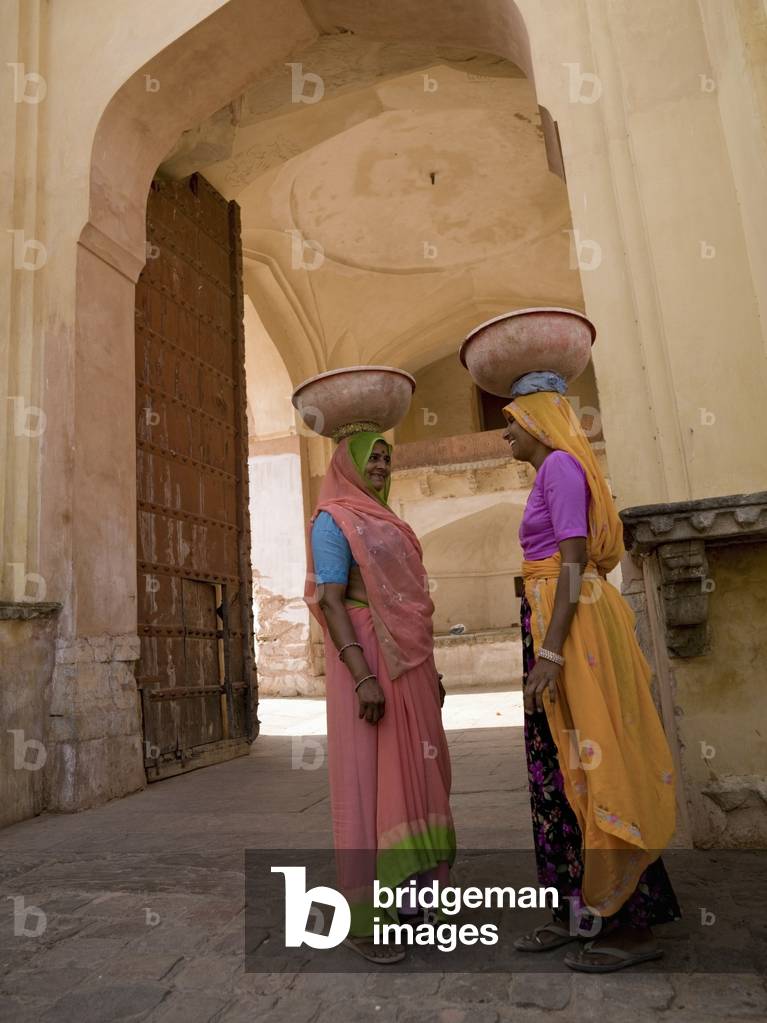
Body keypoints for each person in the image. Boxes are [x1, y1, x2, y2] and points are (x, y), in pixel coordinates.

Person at [502, 371, 680, 973]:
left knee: (594, 764)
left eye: (509, 423)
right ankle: (579, 909)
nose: (504, 435)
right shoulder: (554, 471)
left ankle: (630, 925)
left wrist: (550, 654)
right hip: (557, 626)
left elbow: (574, 562)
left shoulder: (558, 467)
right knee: (561, 764)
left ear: (536, 422)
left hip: (570, 634)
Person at [305, 427, 454, 965]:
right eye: (373, 457)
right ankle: (369, 916)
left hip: (409, 663)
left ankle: (415, 902)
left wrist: (428, 670)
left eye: (387, 458)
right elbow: (329, 599)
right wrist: (363, 675)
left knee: (418, 771)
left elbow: (412, 602)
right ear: (348, 463)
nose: (382, 466)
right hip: (366, 659)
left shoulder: (390, 521)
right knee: (371, 777)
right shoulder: (333, 519)